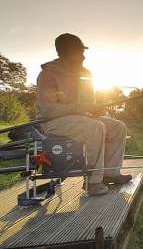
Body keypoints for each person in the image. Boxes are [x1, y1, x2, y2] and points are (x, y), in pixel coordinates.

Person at [36, 33, 132, 195]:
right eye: (79, 52)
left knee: (117, 126)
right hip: (54, 121)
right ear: (66, 52)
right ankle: (93, 182)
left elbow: (89, 104)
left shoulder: (85, 74)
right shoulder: (47, 74)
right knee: (95, 127)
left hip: (81, 119)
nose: (84, 56)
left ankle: (110, 173)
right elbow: (49, 110)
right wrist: (82, 107)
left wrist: (96, 109)